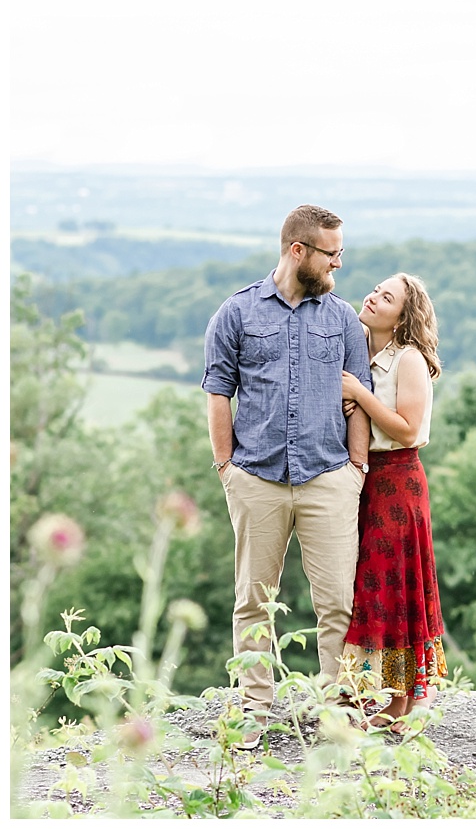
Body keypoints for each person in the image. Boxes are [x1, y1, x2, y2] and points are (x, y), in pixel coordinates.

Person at [202, 204, 372, 744]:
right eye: (331, 254)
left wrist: (358, 469)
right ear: (298, 251)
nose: (338, 265)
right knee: (254, 600)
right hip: (256, 478)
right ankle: (253, 712)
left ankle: (334, 713)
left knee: (338, 602)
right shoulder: (236, 314)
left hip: (330, 477)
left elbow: (359, 398)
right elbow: (217, 393)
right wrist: (227, 467)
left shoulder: (343, 319)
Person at [337, 272, 448, 732]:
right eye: (376, 290)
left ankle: (409, 697)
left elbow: (405, 428)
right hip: (365, 480)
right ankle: (385, 697)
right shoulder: (358, 348)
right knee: (370, 586)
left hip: (399, 480)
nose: (374, 297)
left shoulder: (409, 360)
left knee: (394, 585)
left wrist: (359, 396)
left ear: (403, 317)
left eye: (388, 298)